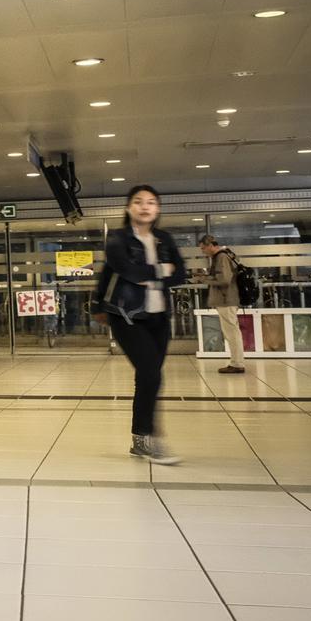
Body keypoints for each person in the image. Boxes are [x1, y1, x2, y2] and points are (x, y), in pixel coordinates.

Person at [98, 185, 188, 464]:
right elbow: (126, 270)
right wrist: (162, 270)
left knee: (149, 377)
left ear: (157, 209)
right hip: (126, 315)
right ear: (129, 208)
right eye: (138, 202)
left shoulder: (164, 239)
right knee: (151, 373)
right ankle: (147, 439)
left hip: (158, 317)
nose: (145, 206)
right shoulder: (118, 238)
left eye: (151, 202)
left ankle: (141, 439)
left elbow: (181, 274)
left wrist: (151, 275)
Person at [197, 234, 244, 374]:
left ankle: (237, 363)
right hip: (226, 299)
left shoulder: (221, 257)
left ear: (211, 245)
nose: (202, 251)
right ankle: (236, 362)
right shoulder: (222, 256)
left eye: (203, 248)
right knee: (231, 331)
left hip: (226, 299)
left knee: (232, 332)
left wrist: (204, 281)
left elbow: (224, 280)